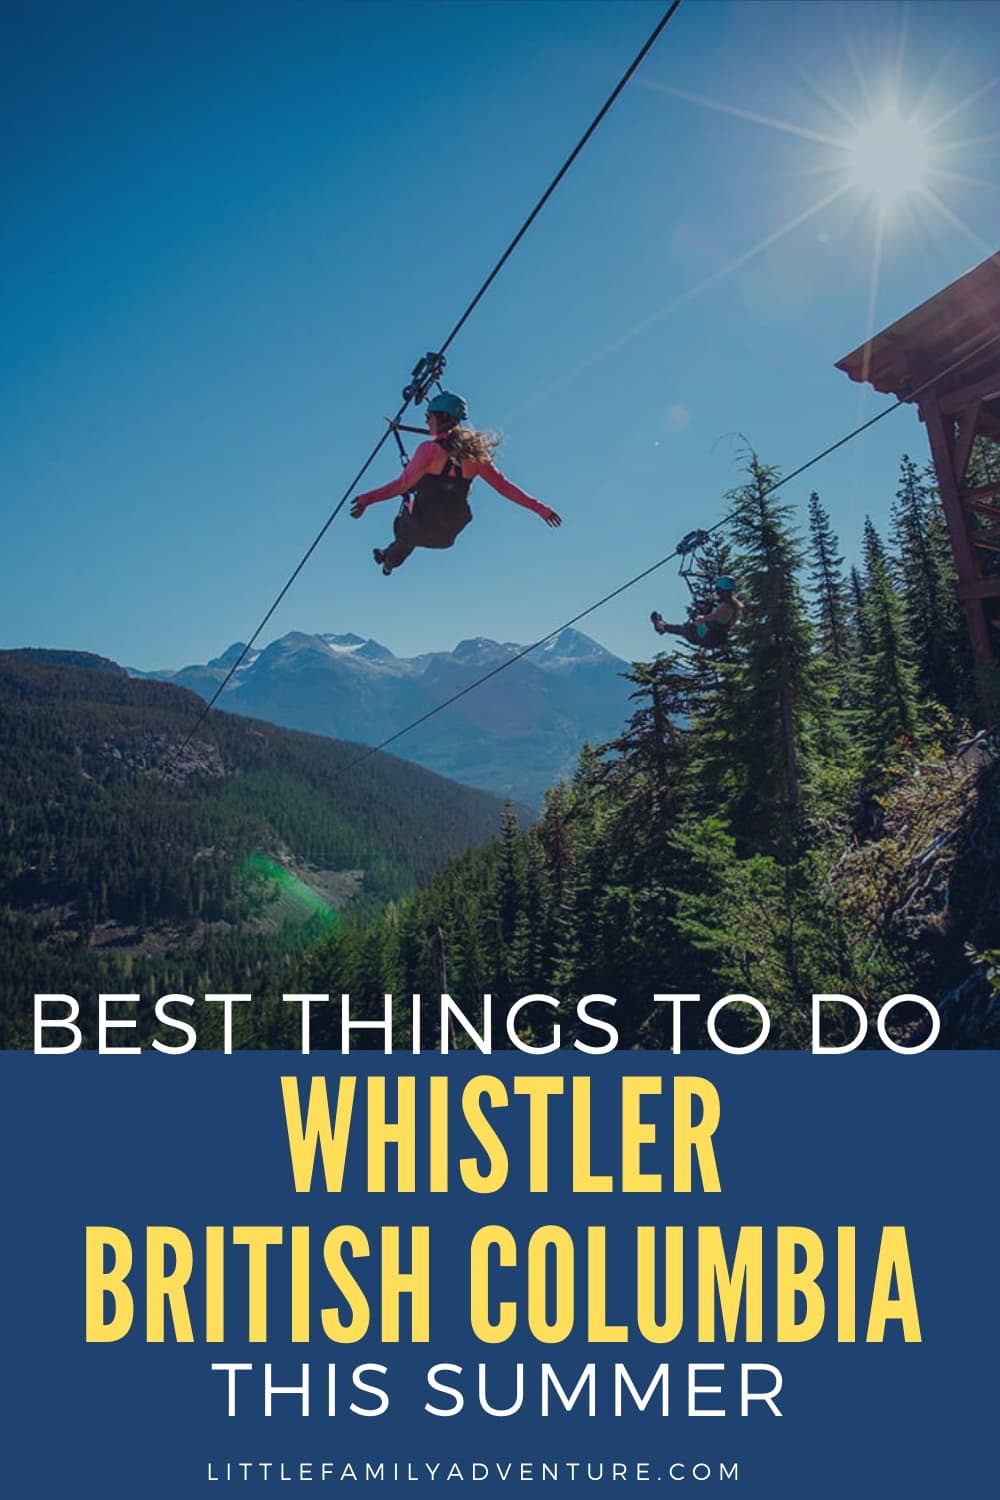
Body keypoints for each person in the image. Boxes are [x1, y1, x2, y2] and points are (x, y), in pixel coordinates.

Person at [349, 391, 561, 574]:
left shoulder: (429, 450)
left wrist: (367, 499)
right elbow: (504, 487)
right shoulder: (476, 457)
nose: (426, 421)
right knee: (412, 527)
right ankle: (387, 557)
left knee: (408, 526)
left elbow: (401, 485)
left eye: (428, 416)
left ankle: (388, 562)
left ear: (440, 417)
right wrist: (541, 509)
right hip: (446, 533)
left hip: (419, 525)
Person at [651, 576, 743, 647]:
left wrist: (702, 619)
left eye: (717, 589)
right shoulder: (729, 604)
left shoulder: (727, 606)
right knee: (684, 629)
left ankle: (660, 626)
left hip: (707, 635)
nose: (716, 592)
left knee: (684, 629)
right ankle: (662, 626)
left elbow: (714, 616)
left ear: (722, 590)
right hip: (711, 634)